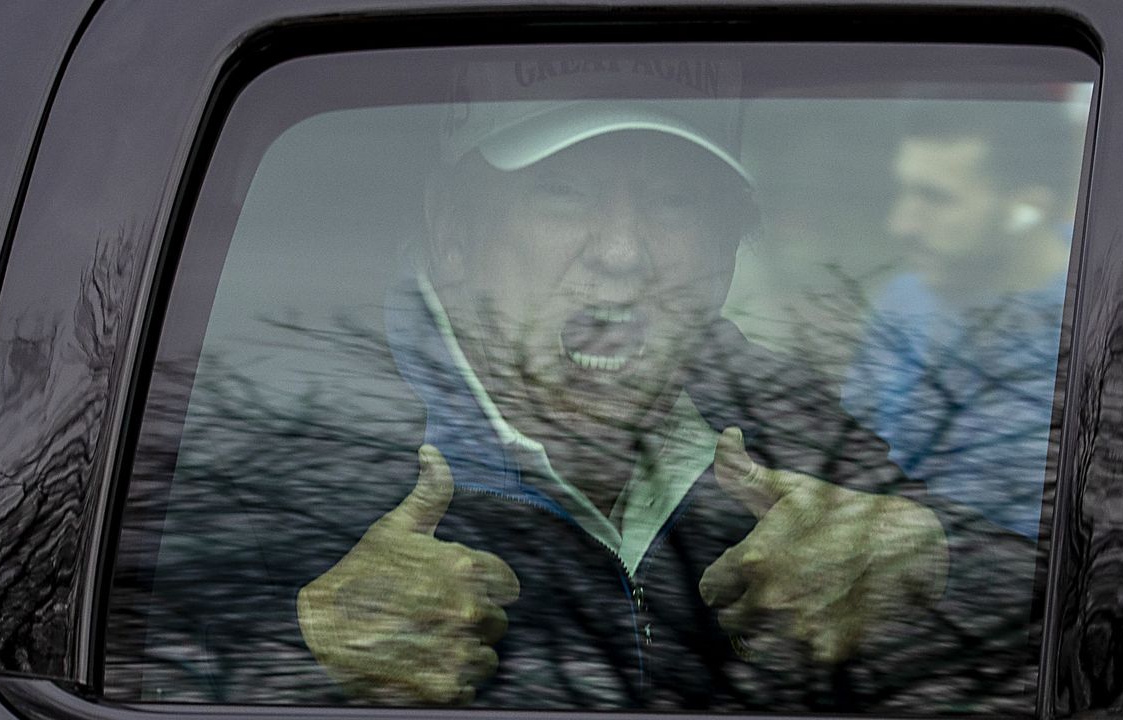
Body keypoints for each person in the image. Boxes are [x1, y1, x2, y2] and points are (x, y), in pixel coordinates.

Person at [292, 56, 1032, 711]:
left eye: (674, 203)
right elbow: (188, 646)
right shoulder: (316, 429)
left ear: (725, 254)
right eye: (563, 192)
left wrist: (928, 561)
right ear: (452, 229)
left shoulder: (770, 414)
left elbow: (1068, 605)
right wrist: (308, 654)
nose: (623, 253)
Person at [842, 101, 1081, 539]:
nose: (901, 224)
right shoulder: (902, 302)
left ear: (1026, 210)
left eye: (936, 198)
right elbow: (848, 468)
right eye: (905, 192)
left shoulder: (1105, 327)